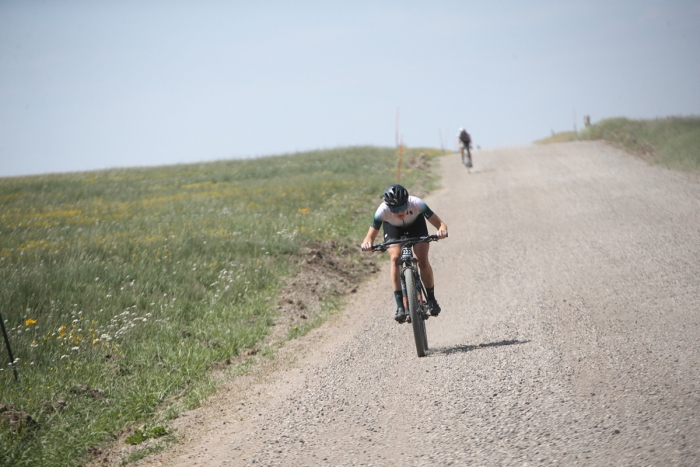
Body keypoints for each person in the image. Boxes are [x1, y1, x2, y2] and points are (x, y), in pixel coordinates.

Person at [361, 184, 448, 323]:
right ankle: (400, 306)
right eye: (394, 209)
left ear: (408, 202)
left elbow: (440, 224)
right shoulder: (381, 211)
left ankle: (431, 299)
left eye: (402, 206)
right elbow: (369, 237)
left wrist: (441, 231)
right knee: (395, 258)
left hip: (416, 227)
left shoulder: (417, 203)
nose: (399, 211)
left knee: (422, 261)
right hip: (394, 229)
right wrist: (367, 243)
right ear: (388, 207)